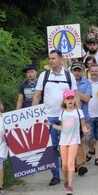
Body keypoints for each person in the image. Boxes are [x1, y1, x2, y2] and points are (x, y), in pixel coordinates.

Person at [32, 50, 79, 186]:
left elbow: (75, 96)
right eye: (49, 58)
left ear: (60, 60)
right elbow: (37, 96)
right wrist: (35, 115)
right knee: (52, 146)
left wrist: (78, 114)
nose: (50, 61)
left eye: (53, 58)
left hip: (66, 116)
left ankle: (67, 170)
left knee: (67, 145)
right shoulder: (44, 75)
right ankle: (56, 175)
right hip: (49, 116)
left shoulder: (68, 75)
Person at [50, 90, 89, 195]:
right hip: (63, 141)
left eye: (72, 98)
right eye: (68, 98)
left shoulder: (78, 112)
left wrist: (85, 130)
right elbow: (62, 128)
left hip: (74, 140)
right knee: (64, 165)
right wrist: (51, 125)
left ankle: (70, 186)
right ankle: (67, 180)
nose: (70, 100)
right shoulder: (62, 113)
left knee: (71, 163)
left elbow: (83, 125)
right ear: (64, 101)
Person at [70, 62, 92, 176]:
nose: (77, 73)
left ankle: (81, 164)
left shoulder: (86, 82)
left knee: (81, 141)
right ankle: (72, 164)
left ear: (82, 71)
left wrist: (74, 90)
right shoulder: (67, 82)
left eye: (79, 70)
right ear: (71, 71)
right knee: (70, 141)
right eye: (75, 71)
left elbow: (86, 98)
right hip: (68, 116)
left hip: (83, 116)